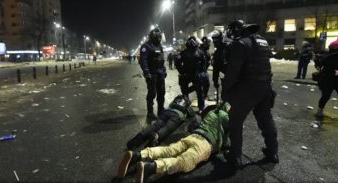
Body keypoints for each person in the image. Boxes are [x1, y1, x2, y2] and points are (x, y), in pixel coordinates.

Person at [117, 102, 230, 183]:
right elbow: (228, 136)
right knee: (183, 162)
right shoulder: (226, 117)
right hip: (205, 143)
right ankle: (152, 167)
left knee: (169, 150)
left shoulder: (211, 113)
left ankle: (139, 155)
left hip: (194, 136)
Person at [221, 19, 279, 169]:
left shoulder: (240, 43)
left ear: (236, 31)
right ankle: (273, 152)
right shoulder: (262, 41)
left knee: (235, 120)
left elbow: (233, 71)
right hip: (265, 86)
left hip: (249, 88)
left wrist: (226, 89)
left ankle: (235, 157)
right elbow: (267, 66)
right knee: (266, 119)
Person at [126, 95, 195, 150]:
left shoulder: (175, 100)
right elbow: (192, 115)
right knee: (167, 128)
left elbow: (170, 105)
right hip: (177, 116)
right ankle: (156, 136)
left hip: (167, 112)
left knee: (155, 126)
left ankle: (133, 142)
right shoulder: (187, 106)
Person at [139, 27, 167, 120]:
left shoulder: (160, 46)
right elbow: (143, 60)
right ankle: (150, 112)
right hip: (152, 73)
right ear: (154, 36)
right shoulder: (146, 46)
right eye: (159, 36)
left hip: (160, 73)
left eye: (160, 36)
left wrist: (164, 70)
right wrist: (146, 72)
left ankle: (161, 110)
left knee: (162, 92)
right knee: (152, 93)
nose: (160, 38)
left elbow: (162, 59)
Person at [175, 36, 207, 111]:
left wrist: (201, 71)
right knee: (188, 92)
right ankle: (189, 108)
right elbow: (177, 62)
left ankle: (200, 108)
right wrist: (181, 71)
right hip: (188, 75)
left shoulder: (198, 52)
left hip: (194, 75)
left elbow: (204, 63)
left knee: (198, 92)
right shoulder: (185, 52)